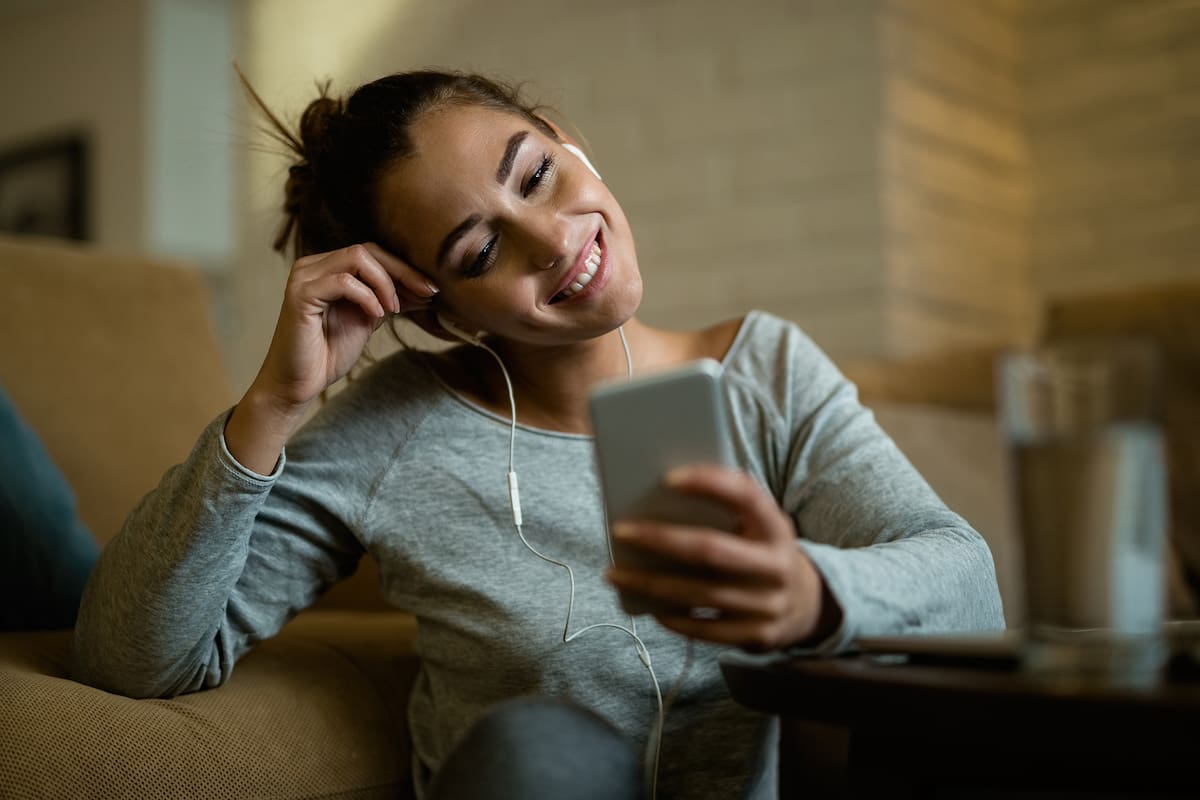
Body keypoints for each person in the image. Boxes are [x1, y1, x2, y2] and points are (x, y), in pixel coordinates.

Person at [72, 70, 1005, 799]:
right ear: (438, 310)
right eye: (480, 250)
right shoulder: (394, 428)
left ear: (572, 144)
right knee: (540, 743)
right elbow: (134, 658)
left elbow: (968, 585)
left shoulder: (766, 373)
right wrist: (274, 403)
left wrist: (811, 594)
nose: (554, 242)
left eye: (537, 175)